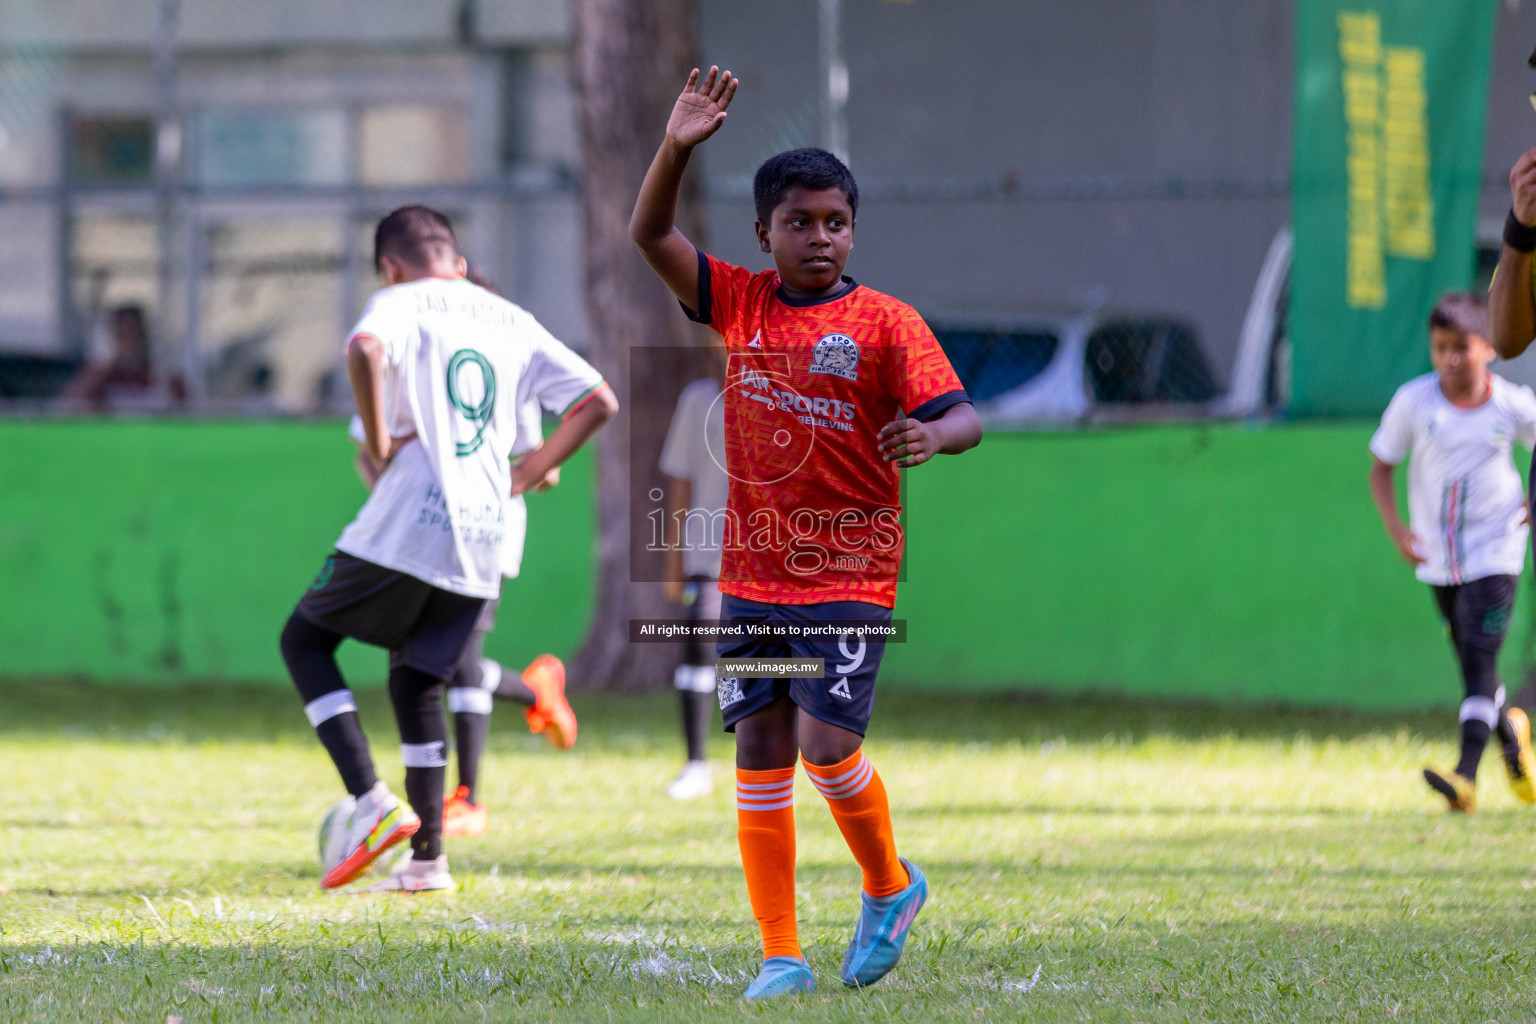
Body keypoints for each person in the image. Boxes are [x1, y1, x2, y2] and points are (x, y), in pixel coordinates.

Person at [629, 67, 983, 998]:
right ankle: (780, 955)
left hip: (850, 576)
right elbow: (647, 234)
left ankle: (889, 885)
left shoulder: (886, 323)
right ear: (763, 235)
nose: (819, 236)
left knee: (827, 747)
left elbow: (966, 418)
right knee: (758, 754)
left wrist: (931, 434)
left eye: (835, 221)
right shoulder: (738, 302)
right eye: (799, 222)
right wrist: (676, 147)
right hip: (748, 577)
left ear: (853, 230)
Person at [279, 206, 616, 892]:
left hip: (412, 516)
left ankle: (372, 801)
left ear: (390, 267)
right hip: (488, 527)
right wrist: (530, 470)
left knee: (305, 641)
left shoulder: (399, 303)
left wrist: (376, 444)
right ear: (457, 263)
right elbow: (598, 399)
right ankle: (429, 859)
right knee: (420, 679)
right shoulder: (510, 319)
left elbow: (364, 351)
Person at [351, 403, 578, 842]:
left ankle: (469, 800)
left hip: (482, 539)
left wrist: (502, 482)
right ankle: (536, 690)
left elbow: (548, 472)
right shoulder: (401, 359)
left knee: (459, 661)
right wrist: (401, 507)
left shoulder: (505, 366)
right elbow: (367, 451)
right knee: (444, 665)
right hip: (418, 541)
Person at [1368, 293, 1536, 812]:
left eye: (1461, 347)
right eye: (1440, 348)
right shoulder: (1415, 402)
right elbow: (1381, 466)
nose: (1450, 359)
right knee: (1475, 668)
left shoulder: (1511, 404)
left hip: (1496, 552)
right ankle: (1515, 731)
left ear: (1488, 347)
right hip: (1439, 559)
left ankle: (1464, 777)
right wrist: (1397, 528)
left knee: (1479, 657)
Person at [658, 345, 729, 800]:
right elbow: (680, 485)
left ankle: (786, 760)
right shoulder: (699, 401)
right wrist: (674, 560)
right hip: (708, 559)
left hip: (771, 561)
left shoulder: (787, 401)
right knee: (699, 652)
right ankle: (696, 763)